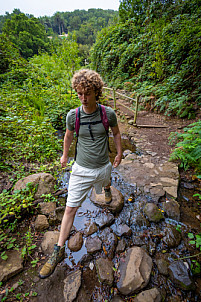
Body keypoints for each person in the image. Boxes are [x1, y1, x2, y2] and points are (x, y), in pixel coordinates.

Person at [39, 69, 122, 279]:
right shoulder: (73, 116)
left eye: (87, 93)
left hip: (103, 165)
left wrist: (119, 152)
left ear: (96, 91)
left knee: (105, 180)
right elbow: (68, 137)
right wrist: (64, 155)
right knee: (69, 209)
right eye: (79, 94)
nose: (83, 98)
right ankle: (58, 251)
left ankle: (106, 187)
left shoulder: (107, 114)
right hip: (81, 170)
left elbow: (116, 132)